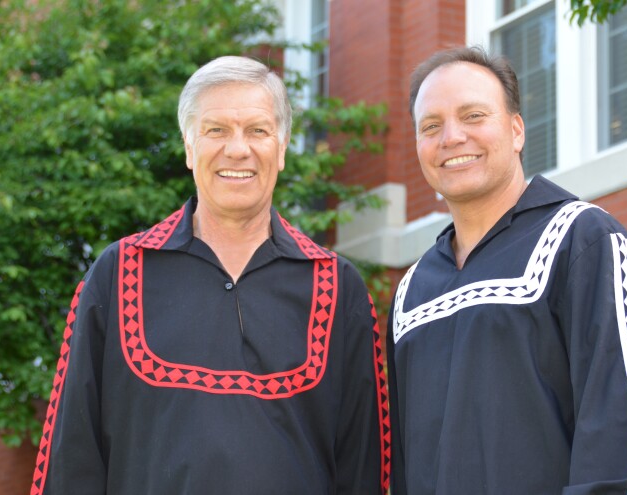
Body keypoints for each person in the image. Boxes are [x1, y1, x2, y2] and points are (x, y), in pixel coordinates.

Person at [30, 56, 390, 495]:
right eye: (216, 130)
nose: (237, 149)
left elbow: (363, 468)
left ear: (282, 146)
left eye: (257, 130)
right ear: (188, 147)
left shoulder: (338, 287)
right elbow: (72, 456)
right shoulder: (118, 272)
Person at [386, 46, 627, 494]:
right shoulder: (412, 294)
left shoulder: (585, 243)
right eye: (431, 126)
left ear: (516, 130)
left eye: (474, 115)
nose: (451, 137)